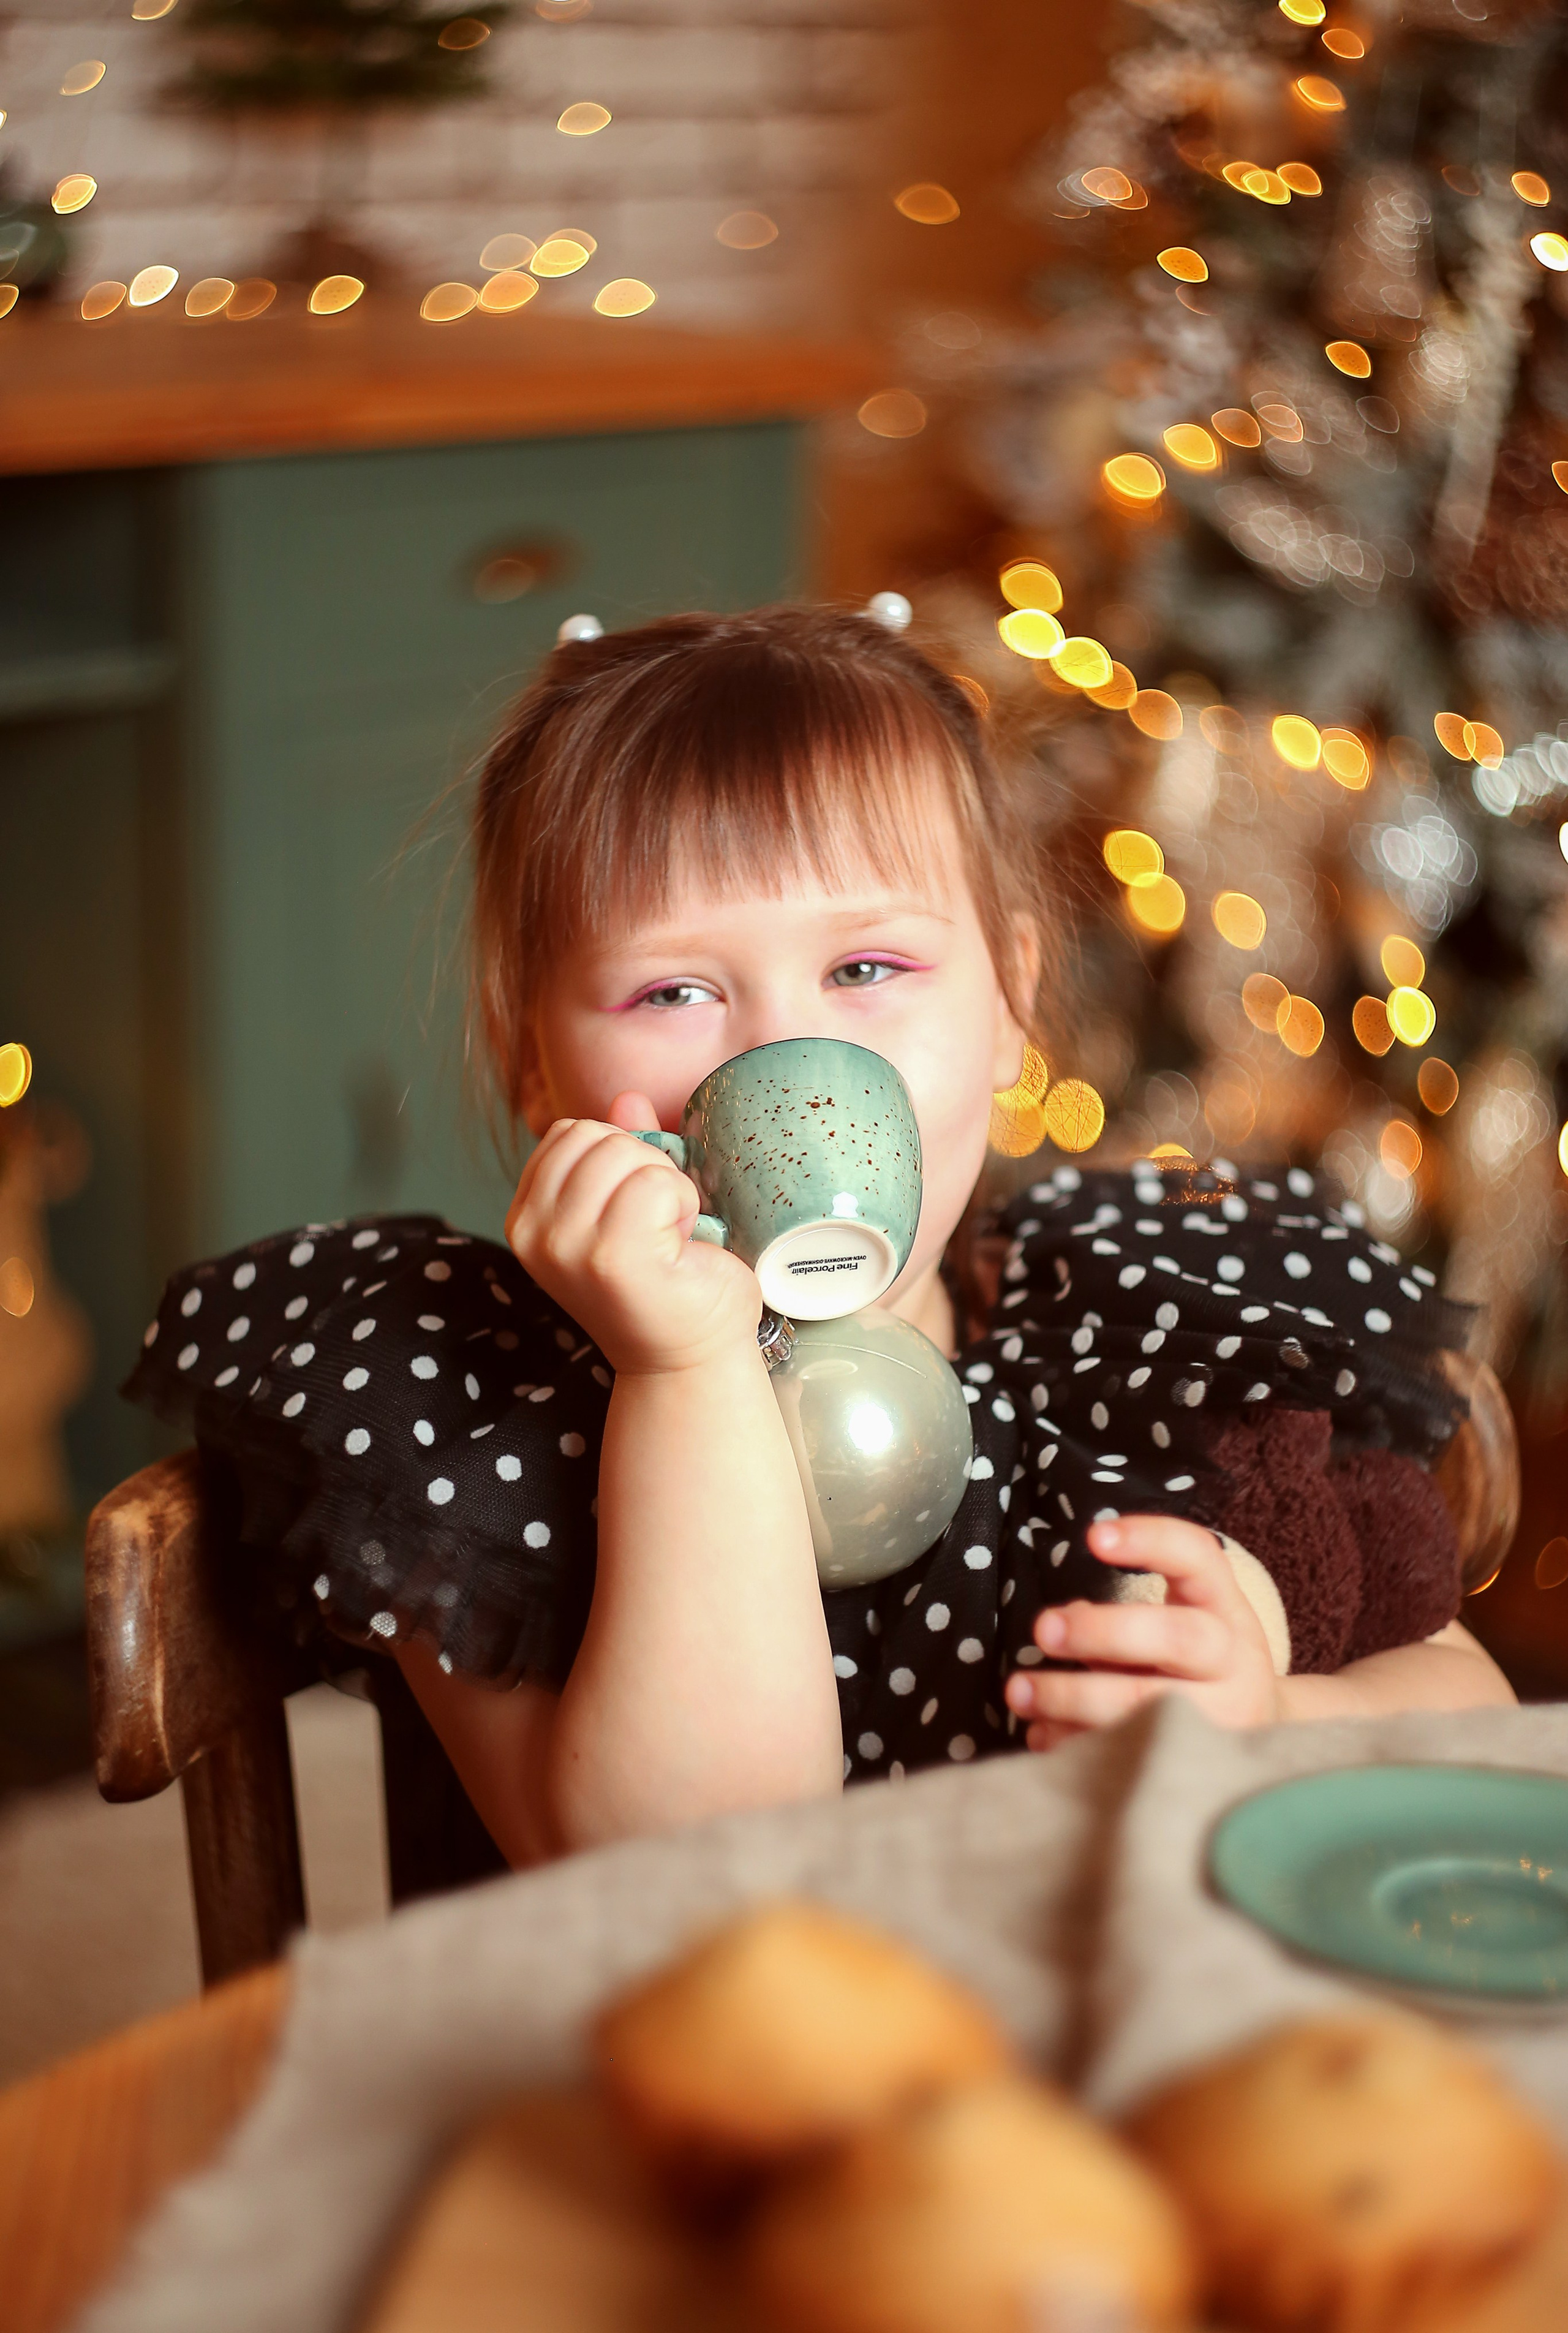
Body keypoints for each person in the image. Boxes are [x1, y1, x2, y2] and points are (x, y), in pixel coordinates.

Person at [129, 605, 1513, 1868]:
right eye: (672, 990)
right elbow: (694, 1871)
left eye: (866, 969)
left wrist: (1277, 1712)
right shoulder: (462, 1402)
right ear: (530, 1064)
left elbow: (1470, 1704)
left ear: (1009, 1001)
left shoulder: (1149, 1330)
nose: (790, 1050)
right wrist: (688, 1372)